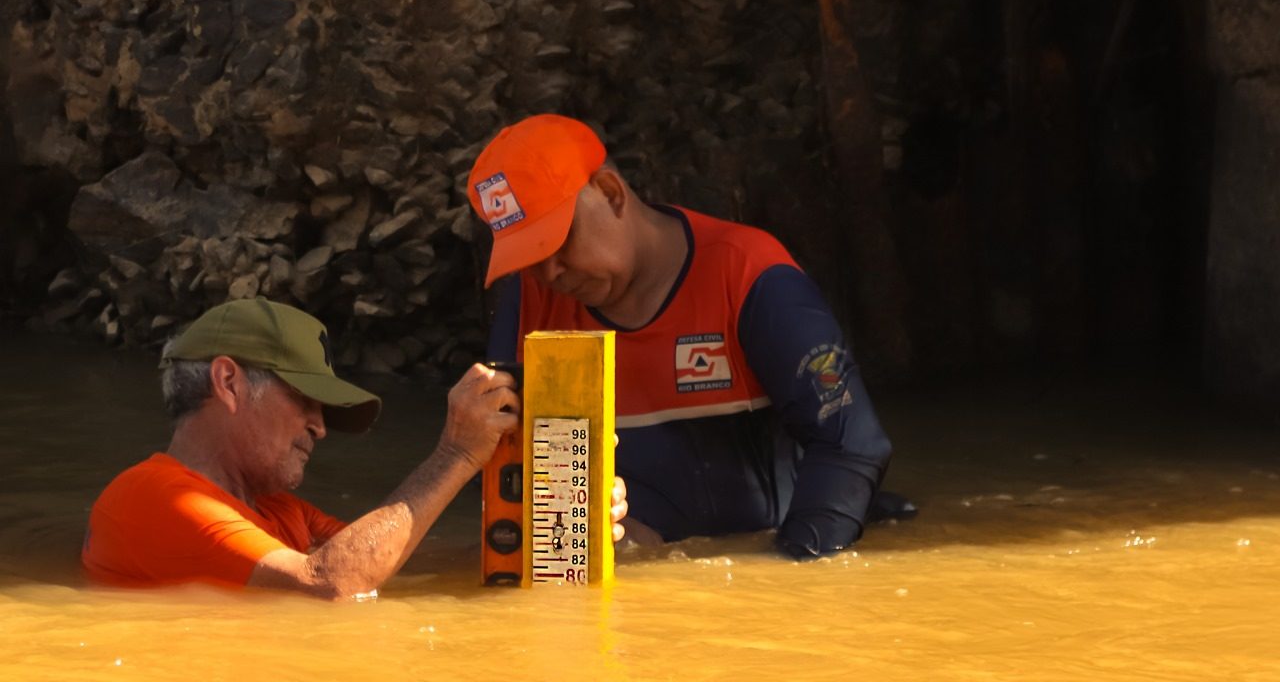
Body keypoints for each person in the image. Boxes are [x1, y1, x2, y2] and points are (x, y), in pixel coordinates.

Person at [468, 114, 911, 559]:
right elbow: (513, 471)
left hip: (771, 558)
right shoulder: (530, 302)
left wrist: (787, 580)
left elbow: (849, 445)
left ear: (610, 192)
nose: (549, 273)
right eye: (529, 256)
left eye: (556, 243)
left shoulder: (747, 274)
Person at [81, 298, 628, 597]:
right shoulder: (151, 496)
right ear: (228, 384)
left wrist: (557, 526)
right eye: (305, 399)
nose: (320, 427)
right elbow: (333, 582)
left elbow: (399, 561)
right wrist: (455, 456)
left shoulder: (275, 510)